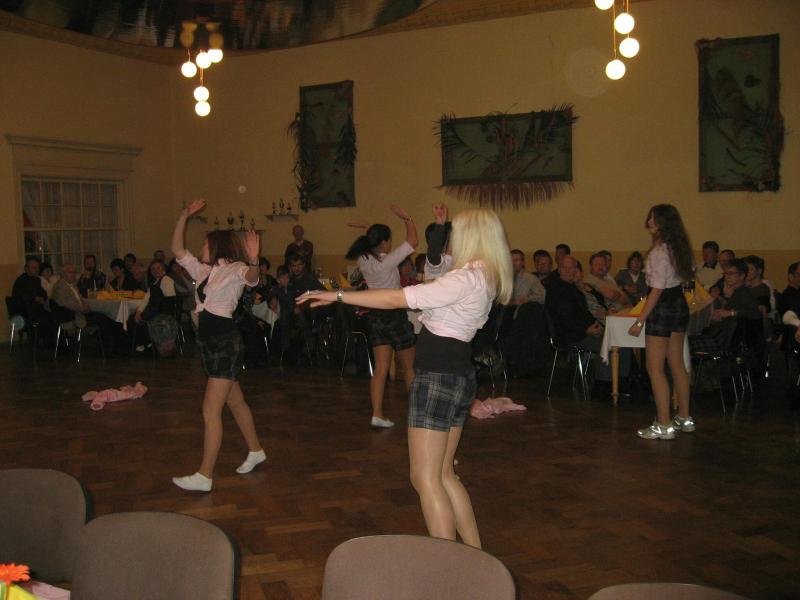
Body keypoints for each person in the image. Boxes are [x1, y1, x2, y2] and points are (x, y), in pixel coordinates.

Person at [298, 203, 512, 548]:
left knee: (425, 478)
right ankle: (475, 554)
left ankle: (448, 562)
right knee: (444, 474)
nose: (453, 239)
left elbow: (399, 298)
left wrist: (338, 295)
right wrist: (437, 230)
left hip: (439, 376)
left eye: (456, 233)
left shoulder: (466, 277)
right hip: (457, 373)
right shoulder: (484, 274)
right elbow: (436, 268)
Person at [171, 199, 265, 493]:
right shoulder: (204, 271)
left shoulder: (236, 268)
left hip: (226, 344)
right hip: (210, 344)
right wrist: (184, 215)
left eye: (205, 243)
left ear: (216, 246)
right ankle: (255, 450)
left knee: (210, 410)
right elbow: (177, 250)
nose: (201, 246)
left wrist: (254, 260)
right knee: (235, 402)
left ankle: (205, 475)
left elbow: (252, 278)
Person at [345, 205, 418, 427]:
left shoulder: (363, 260)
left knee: (380, 368)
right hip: (394, 314)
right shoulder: (389, 260)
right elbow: (413, 240)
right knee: (409, 367)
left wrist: (367, 228)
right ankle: (416, 414)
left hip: (375, 315)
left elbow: (370, 246)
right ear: (385, 242)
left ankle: (377, 413)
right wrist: (407, 218)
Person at [628, 204, 695, 440]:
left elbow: (656, 290)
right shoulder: (681, 247)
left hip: (663, 307)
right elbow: (687, 276)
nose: (649, 222)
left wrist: (639, 321)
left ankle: (664, 424)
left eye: (653, 219)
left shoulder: (659, 251)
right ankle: (684, 417)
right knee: (677, 364)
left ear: (663, 223)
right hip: (678, 304)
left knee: (655, 368)